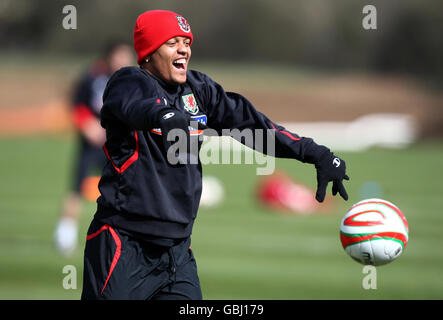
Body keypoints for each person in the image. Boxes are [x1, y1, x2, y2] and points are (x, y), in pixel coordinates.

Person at [81, 10, 350, 300]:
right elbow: (137, 106)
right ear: (148, 52)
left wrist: (315, 153)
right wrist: (164, 115)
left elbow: (256, 126)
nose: (184, 48)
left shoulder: (199, 90)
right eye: (172, 42)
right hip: (124, 247)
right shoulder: (128, 81)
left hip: (177, 256)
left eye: (187, 42)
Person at [54, 41, 134, 256]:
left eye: (127, 56)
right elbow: (76, 104)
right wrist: (87, 125)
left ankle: (123, 235)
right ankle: (66, 233)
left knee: (124, 189)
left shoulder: (131, 80)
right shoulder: (92, 77)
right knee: (77, 187)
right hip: (91, 145)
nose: (124, 61)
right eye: (120, 55)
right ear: (109, 56)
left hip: (117, 146)